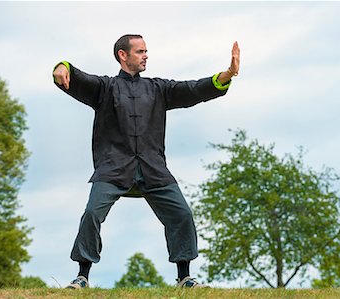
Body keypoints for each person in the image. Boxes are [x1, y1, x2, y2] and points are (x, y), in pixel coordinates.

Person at [52, 34, 240, 289]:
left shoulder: (158, 89)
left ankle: (184, 277)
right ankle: (82, 276)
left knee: (182, 214)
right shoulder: (105, 88)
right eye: (140, 51)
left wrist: (226, 75)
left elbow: (193, 89)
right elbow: (74, 76)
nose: (146, 56)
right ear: (123, 55)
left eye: (146, 51)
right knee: (92, 214)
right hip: (113, 169)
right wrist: (61, 66)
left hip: (153, 169)